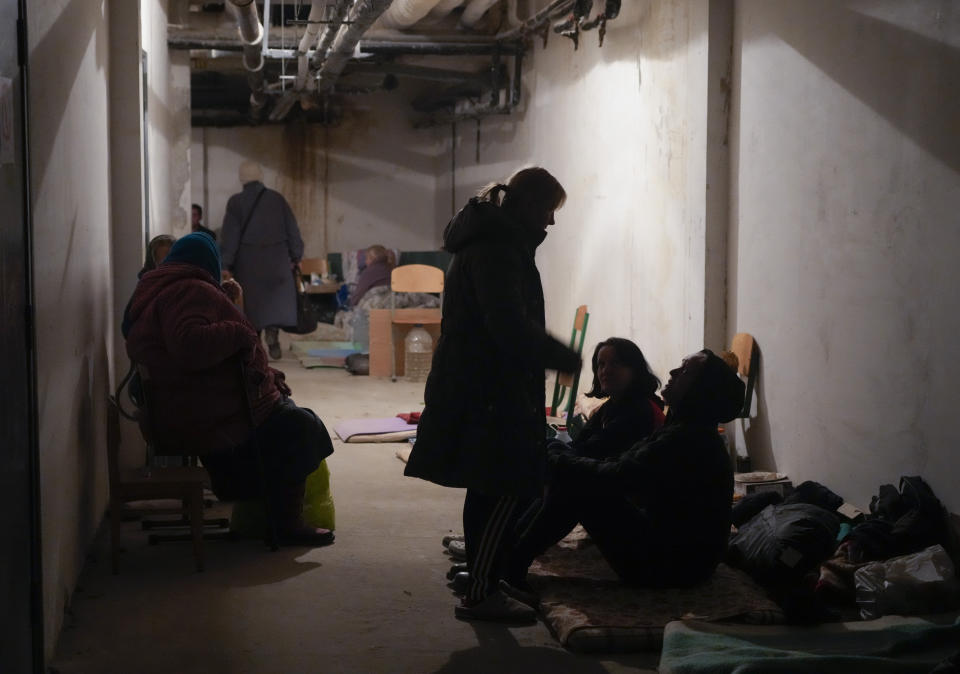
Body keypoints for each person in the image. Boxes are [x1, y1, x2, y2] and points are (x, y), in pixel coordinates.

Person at [404, 167, 581, 623]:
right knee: (502, 486)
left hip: (482, 384)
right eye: (548, 210)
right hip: (489, 389)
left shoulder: (494, 242)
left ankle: (487, 580)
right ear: (525, 206)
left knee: (493, 487)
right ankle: (482, 592)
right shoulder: (498, 249)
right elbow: (506, 325)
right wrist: (563, 355)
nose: (551, 223)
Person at [123, 232, 335, 547]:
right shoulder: (187, 290)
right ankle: (286, 525)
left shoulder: (164, 289)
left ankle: (279, 519)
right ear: (207, 263)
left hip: (194, 408)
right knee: (302, 426)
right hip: (214, 421)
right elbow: (190, 343)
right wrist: (238, 331)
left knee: (292, 413)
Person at [501, 349, 745, 604]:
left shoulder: (685, 438)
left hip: (673, 567)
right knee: (571, 471)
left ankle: (510, 563)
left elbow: (615, 474)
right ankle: (508, 554)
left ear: (700, 390)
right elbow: (614, 463)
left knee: (577, 482)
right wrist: (561, 457)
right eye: (601, 364)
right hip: (678, 556)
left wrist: (557, 458)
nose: (673, 372)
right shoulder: (682, 428)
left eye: (685, 371)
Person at [220, 161, 304, 360]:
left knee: (252, 308)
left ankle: (255, 345)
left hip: (249, 262)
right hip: (278, 260)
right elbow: (293, 230)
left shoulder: (236, 202)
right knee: (274, 303)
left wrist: (226, 263)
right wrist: (296, 255)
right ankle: (273, 334)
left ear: (242, 179)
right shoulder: (277, 199)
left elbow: (230, 236)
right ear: (260, 176)